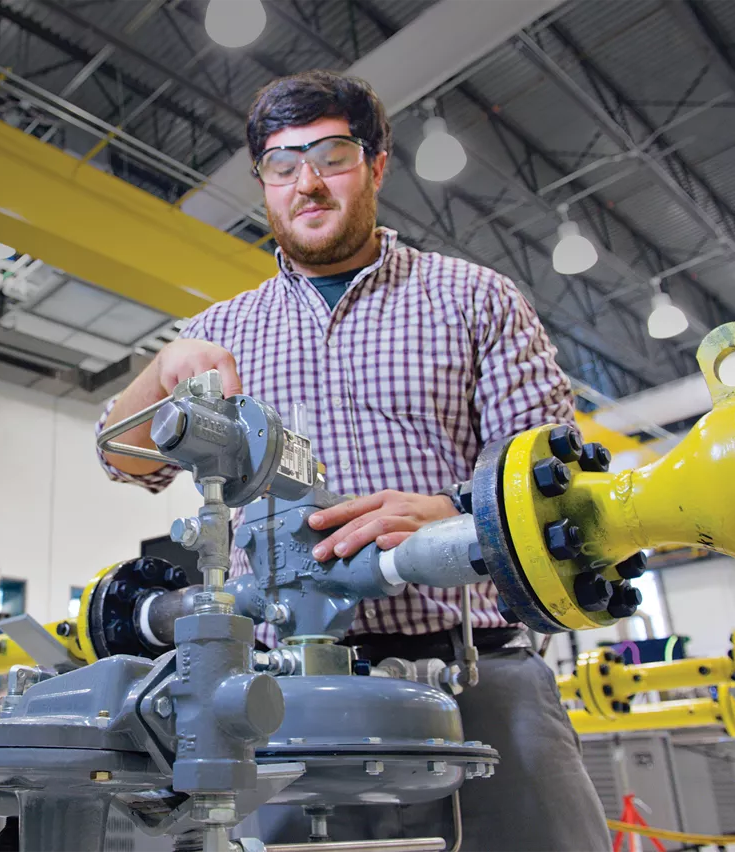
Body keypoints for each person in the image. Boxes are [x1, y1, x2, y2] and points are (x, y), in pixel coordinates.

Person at [93, 69, 610, 851]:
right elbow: (123, 460)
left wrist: (452, 513)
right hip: (274, 693)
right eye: (281, 164)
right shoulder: (222, 332)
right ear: (263, 183)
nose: (307, 183)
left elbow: (565, 488)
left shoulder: (476, 300)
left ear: (376, 164)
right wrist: (163, 370)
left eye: (331, 156)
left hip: (476, 675)